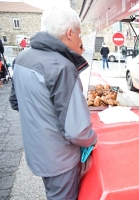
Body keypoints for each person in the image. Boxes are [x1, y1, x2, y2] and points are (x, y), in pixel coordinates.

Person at [9, 6, 97, 200]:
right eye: (79, 34)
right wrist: (93, 139)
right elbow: (77, 131)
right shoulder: (62, 67)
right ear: (69, 33)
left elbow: (16, 102)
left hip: (37, 152)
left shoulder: (22, 58)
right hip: (60, 160)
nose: (80, 40)